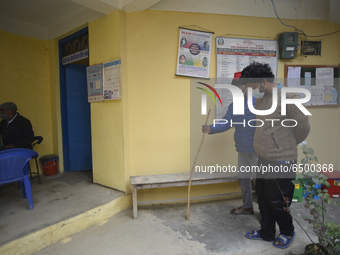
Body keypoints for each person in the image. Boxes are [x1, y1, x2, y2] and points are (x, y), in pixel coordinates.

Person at [241, 62, 310, 249]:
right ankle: (267, 232)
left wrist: (286, 144)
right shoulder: (262, 99)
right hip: (263, 158)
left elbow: (303, 127)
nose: (254, 90)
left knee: (277, 201)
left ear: (263, 81)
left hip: (282, 159)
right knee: (262, 198)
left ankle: (287, 231)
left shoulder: (289, 97)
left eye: (254, 86)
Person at [202, 72, 258, 215]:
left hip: (258, 149)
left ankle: (265, 211)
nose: (238, 90)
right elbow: (226, 122)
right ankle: (248, 206)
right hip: (242, 149)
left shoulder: (259, 103)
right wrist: (211, 128)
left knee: (261, 182)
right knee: (243, 179)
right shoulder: (234, 106)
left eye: (240, 86)